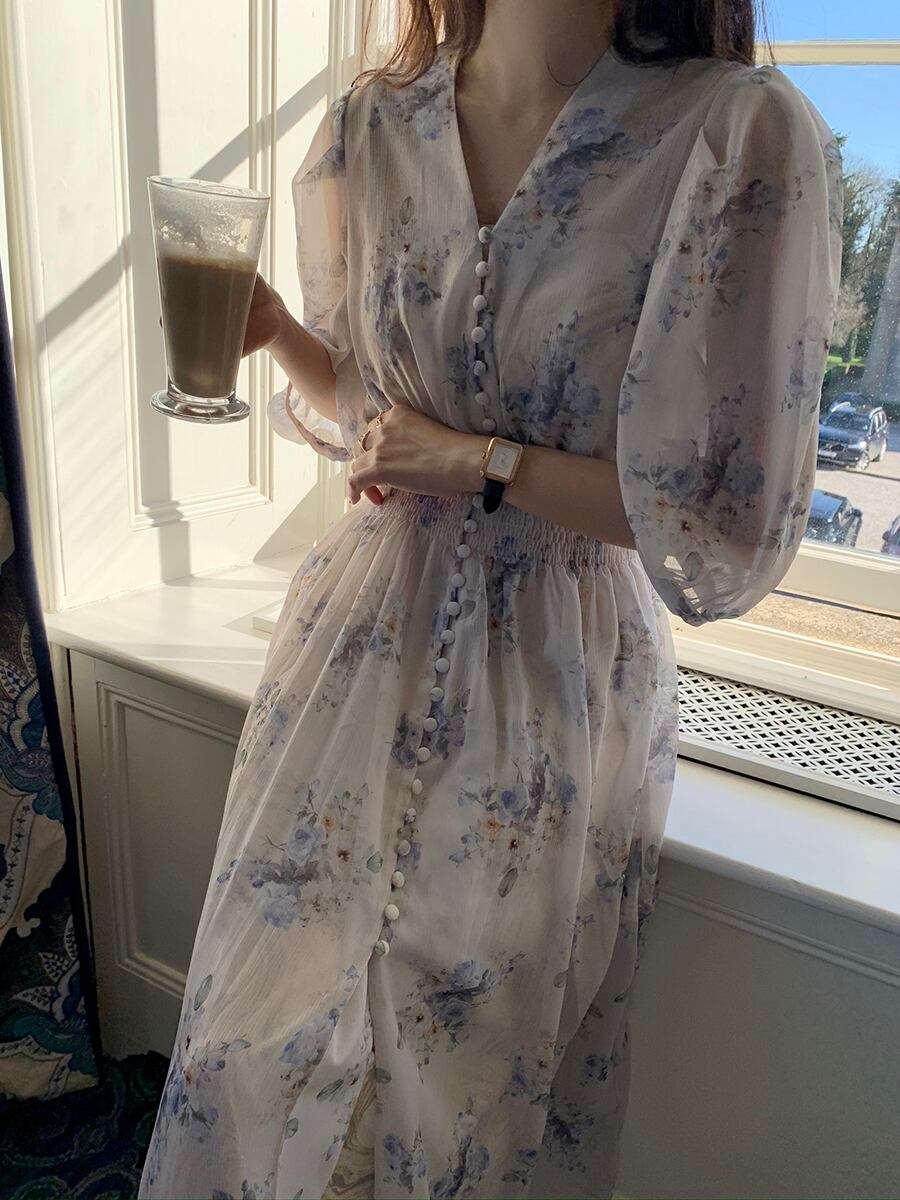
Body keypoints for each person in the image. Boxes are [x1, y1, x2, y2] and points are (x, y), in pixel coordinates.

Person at [138, 0, 843, 1196]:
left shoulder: (732, 134)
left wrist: (482, 464)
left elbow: (716, 519)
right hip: (358, 645)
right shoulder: (374, 123)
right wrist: (284, 338)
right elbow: (389, 416)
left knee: (468, 1078)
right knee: (267, 1035)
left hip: (550, 676)